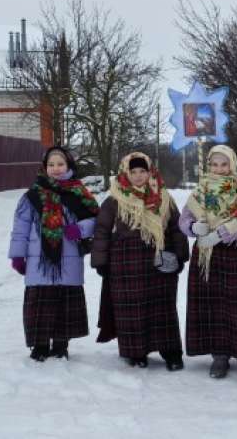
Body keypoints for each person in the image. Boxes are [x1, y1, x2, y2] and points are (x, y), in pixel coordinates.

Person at [91, 152, 189, 370]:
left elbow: (176, 228)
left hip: (159, 262)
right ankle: (136, 352)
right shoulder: (114, 200)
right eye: (133, 171)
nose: (138, 176)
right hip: (126, 265)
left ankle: (170, 351)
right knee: (131, 310)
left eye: (142, 171)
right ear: (125, 173)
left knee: (163, 308)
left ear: (150, 172)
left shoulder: (164, 199)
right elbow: (102, 231)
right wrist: (101, 262)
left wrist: (180, 256)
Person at [180, 145, 237, 386]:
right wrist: (193, 228)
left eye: (223, 164)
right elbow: (185, 217)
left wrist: (225, 231)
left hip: (233, 251)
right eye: (214, 164)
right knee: (213, 306)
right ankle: (220, 355)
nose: (219, 168)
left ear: (232, 164)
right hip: (206, 255)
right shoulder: (201, 188)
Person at [8, 146, 99, 361]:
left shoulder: (80, 193)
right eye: (51, 165)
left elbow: (96, 220)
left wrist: (81, 228)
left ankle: (60, 345)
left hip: (69, 259)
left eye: (60, 164)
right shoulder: (32, 196)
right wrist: (17, 255)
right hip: (38, 260)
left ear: (68, 166)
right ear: (44, 168)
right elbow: (20, 228)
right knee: (40, 304)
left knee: (64, 304)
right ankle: (39, 346)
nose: (56, 169)